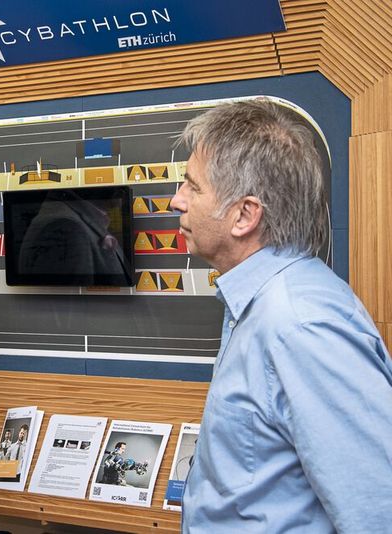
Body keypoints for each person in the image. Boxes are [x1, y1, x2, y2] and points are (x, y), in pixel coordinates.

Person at [172, 101, 392, 533]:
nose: (177, 200)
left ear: (244, 215)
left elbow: (376, 511)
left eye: (192, 187)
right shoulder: (259, 300)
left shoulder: (301, 325)